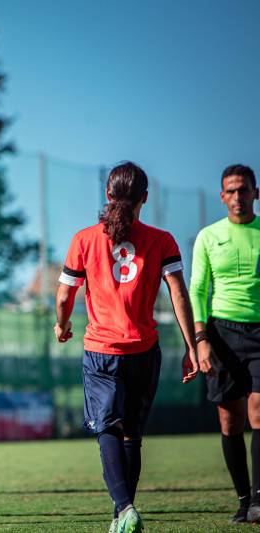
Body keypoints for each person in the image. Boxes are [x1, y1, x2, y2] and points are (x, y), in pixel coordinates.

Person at [54, 162, 198, 533]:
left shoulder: (83, 239)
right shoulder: (162, 239)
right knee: (132, 433)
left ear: (107, 195)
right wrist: (190, 345)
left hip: (102, 351)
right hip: (144, 351)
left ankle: (123, 507)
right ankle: (123, 515)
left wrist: (63, 322)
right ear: (144, 199)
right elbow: (178, 292)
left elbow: (64, 294)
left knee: (107, 427)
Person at [190, 164, 260, 523]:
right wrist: (200, 339)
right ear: (222, 197)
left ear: (255, 193)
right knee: (230, 422)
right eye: (231, 191)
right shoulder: (207, 236)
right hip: (221, 335)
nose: (237, 197)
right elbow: (198, 289)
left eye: (243, 190)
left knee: (259, 412)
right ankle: (244, 500)